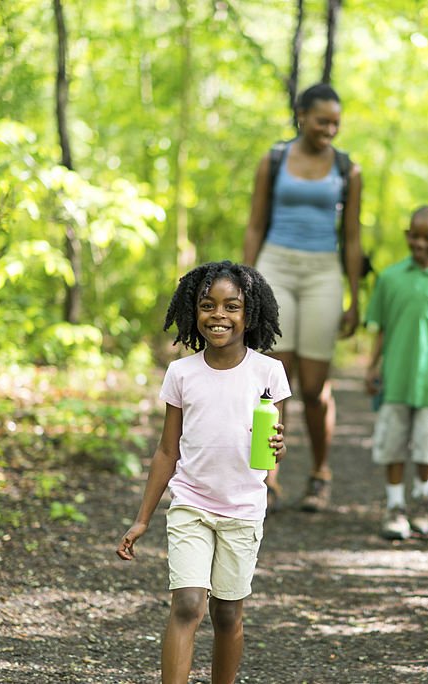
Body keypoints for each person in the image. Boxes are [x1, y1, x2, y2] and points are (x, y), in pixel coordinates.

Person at [116, 261, 291, 684]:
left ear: (250, 314)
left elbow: (271, 449)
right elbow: (165, 451)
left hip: (243, 508)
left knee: (227, 612)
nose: (219, 315)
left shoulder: (268, 372)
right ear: (192, 312)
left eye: (232, 306)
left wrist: (279, 451)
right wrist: (142, 519)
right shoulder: (181, 373)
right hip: (190, 504)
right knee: (188, 604)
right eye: (207, 305)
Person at [243, 82, 364, 513]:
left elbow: (351, 237)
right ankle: (268, 476)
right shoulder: (274, 160)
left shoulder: (347, 169)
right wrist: (246, 283)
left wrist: (355, 297)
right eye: (321, 120)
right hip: (276, 265)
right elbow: (255, 224)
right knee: (275, 380)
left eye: (335, 122)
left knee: (313, 385)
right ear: (301, 116)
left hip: (322, 272)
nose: (329, 129)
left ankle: (320, 473)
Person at [364, 207, 428, 540]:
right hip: (395, 379)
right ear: (407, 236)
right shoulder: (390, 278)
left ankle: (423, 500)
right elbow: (380, 329)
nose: (421, 244)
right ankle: (395, 506)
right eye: (415, 237)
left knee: (427, 446)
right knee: (393, 444)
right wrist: (372, 366)